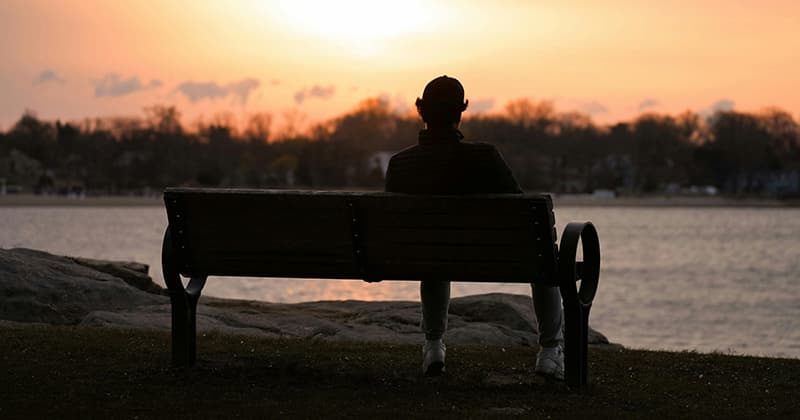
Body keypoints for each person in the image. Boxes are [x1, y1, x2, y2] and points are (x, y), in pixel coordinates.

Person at [384, 75, 565, 380]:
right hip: (499, 257)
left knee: (431, 256)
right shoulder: (485, 158)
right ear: (462, 110)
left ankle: (433, 347)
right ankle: (549, 352)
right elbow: (520, 212)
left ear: (422, 111)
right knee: (543, 256)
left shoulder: (401, 164)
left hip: (423, 255)